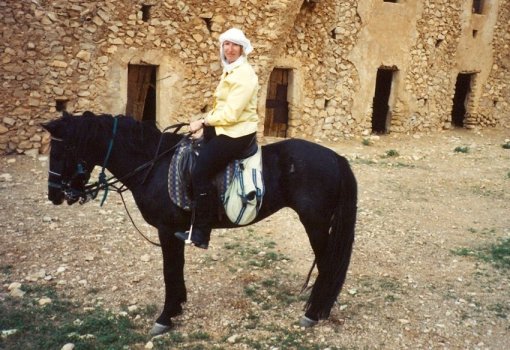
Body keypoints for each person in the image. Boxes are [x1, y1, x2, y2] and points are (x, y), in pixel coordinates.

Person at [174, 28, 259, 249]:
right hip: (223, 127)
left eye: (234, 45)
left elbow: (231, 114)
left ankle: (202, 232)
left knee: (200, 171)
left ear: (242, 49)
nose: (229, 49)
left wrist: (203, 121)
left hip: (237, 132)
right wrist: (207, 123)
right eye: (226, 44)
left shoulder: (244, 74)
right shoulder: (230, 70)